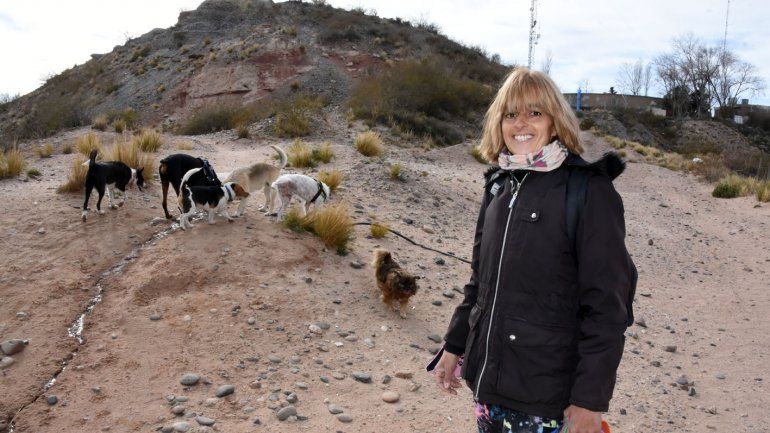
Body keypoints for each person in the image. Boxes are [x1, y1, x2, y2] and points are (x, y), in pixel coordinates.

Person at [432, 67, 635, 433]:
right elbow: (479, 283)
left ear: (555, 121)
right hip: (489, 392)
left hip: (547, 400)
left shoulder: (588, 191)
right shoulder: (499, 185)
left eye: (534, 113)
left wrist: (590, 400)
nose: (520, 123)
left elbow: (608, 307)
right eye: (510, 114)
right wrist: (454, 344)